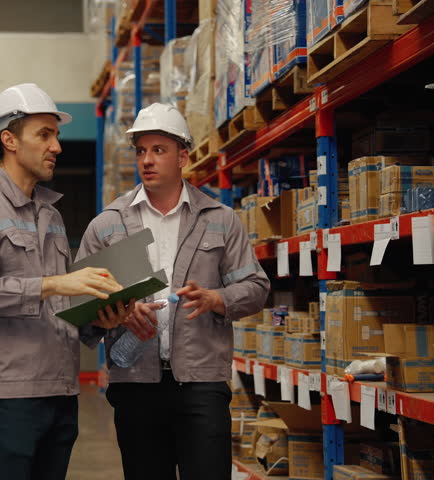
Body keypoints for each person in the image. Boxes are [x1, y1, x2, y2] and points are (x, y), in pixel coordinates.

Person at [0, 83, 129, 480]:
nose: (56, 146)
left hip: (60, 390)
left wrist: (98, 320)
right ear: (8, 139)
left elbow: (58, 304)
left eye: (56, 135)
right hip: (7, 395)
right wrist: (56, 284)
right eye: (44, 134)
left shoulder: (51, 215)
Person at [76, 103, 271, 480]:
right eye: (141, 151)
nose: (146, 160)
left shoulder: (219, 219)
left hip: (202, 384)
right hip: (135, 385)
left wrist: (218, 298)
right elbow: (80, 307)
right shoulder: (107, 226)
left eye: (158, 150)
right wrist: (115, 312)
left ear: (183, 156)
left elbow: (256, 287)